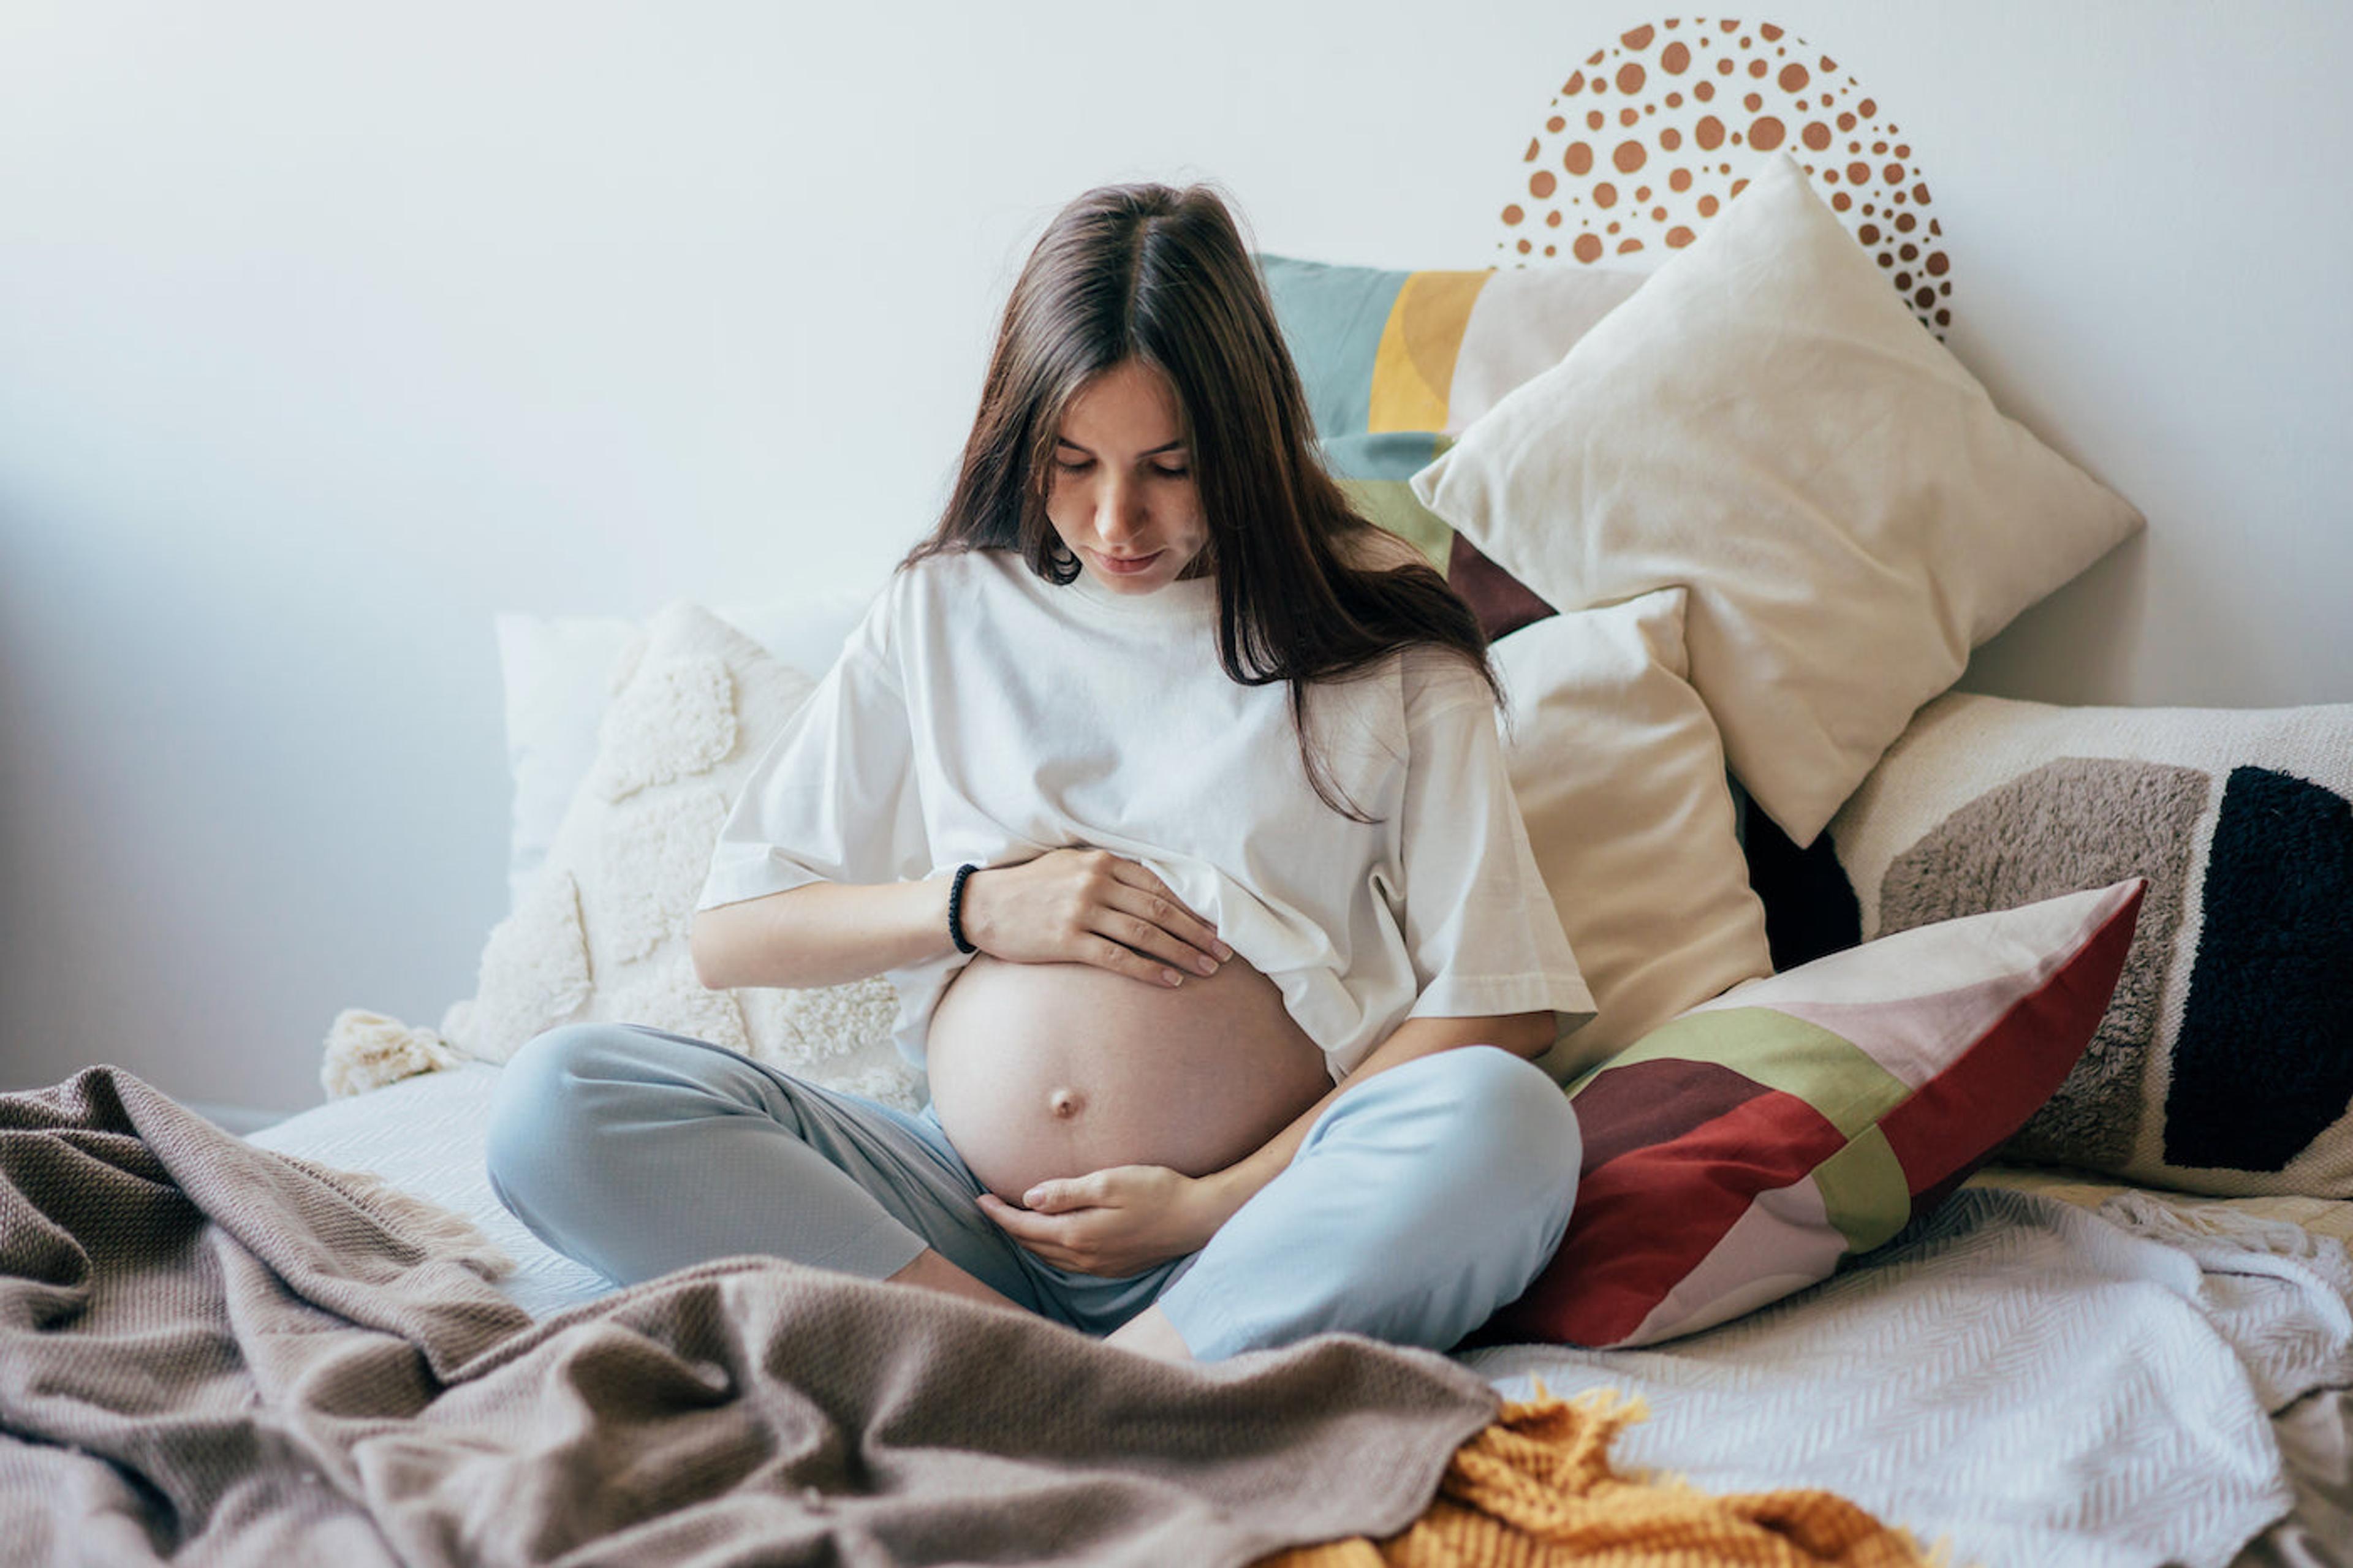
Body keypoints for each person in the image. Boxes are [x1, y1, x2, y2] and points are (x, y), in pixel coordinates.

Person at [483, 181, 1594, 1363]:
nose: (1118, 519)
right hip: (958, 1218)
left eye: (1171, 466)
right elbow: (739, 930)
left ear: (1251, 438)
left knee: (1510, 1129)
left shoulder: (1382, 634)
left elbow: (1496, 1001)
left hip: (1261, 1227)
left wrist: (1217, 1203)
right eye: (1073, 463)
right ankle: (1042, 1371)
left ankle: (1107, 1378)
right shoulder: (948, 606)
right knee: (556, 1102)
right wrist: (976, 905)